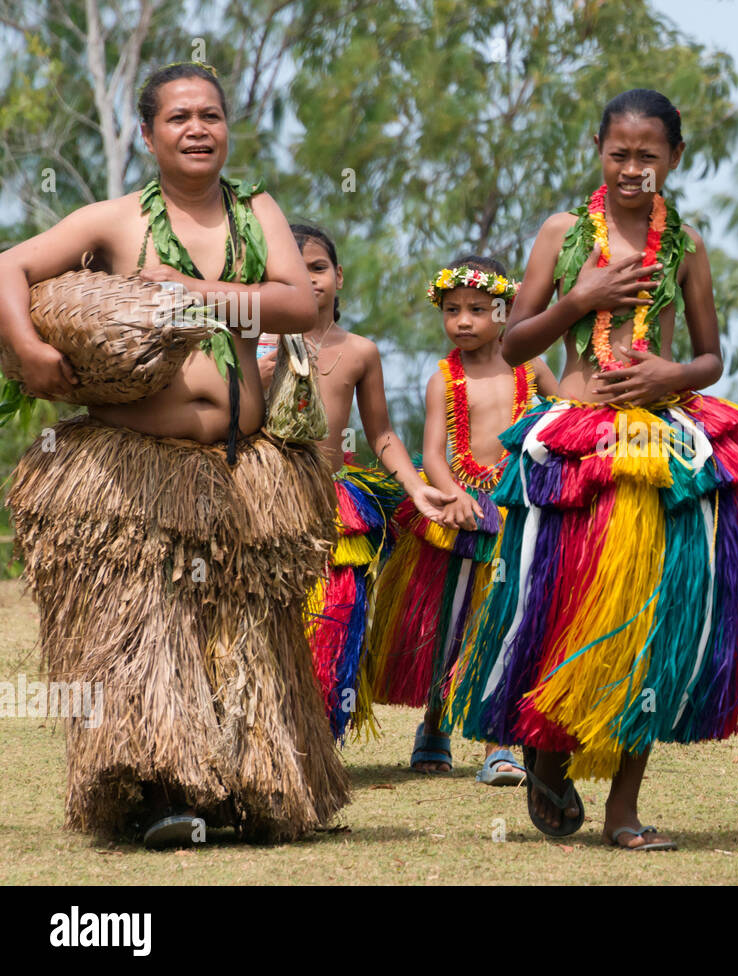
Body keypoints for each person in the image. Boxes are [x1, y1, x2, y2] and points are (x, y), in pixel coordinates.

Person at [0, 62, 350, 847]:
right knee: (144, 636)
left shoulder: (256, 212)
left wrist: (188, 291)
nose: (198, 129)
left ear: (229, 128)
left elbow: (298, 302)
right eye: (179, 118)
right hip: (132, 467)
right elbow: (9, 267)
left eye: (212, 115)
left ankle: (248, 788)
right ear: (151, 133)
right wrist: (27, 349)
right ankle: (156, 793)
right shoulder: (114, 220)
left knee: (238, 637)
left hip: (238, 468)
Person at [443, 89, 738, 851]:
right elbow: (516, 345)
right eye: (618, 153)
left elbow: (710, 356)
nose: (633, 169)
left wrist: (671, 376)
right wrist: (578, 299)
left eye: (648, 156)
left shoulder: (684, 246)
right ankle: (548, 755)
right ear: (597, 149)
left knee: (653, 620)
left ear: (675, 159)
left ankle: (624, 810)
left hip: (659, 449)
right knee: (562, 609)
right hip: (574, 449)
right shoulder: (563, 234)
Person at [366, 256, 557, 783]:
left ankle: (502, 741)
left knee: (507, 620)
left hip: (518, 506)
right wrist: (452, 496)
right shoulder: (440, 380)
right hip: (460, 513)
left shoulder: (533, 368)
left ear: (506, 309)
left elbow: (564, 421)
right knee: (446, 623)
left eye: (477, 309)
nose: (464, 321)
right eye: (452, 310)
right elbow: (432, 454)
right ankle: (435, 723)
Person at [257, 223, 451, 740]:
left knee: (332, 620)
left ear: (338, 276)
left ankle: (315, 738)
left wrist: (416, 488)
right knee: (264, 621)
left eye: (318, 269)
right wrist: (256, 373)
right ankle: (261, 737)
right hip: (261, 499)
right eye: (294, 271)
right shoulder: (251, 342)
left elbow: (382, 433)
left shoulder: (360, 352)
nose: (309, 280)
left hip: (332, 504)